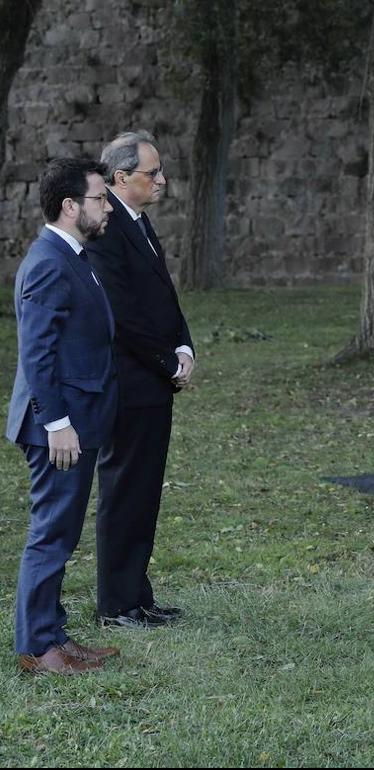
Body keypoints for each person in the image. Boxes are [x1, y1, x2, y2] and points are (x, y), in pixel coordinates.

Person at [7, 158, 120, 674]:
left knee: (62, 531)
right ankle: (36, 647)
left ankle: (54, 633)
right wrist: (56, 423)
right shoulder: (50, 260)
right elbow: (36, 352)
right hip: (59, 426)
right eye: (100, 198)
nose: (108, 207)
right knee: (51, 534)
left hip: (75, 419)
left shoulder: (73, 254)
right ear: (71, 206)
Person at [84, 131, 194, 629]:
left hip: (153, 381)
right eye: (153, 172)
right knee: (125, 491)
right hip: (130, 383)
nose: (162, 181)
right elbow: (122, 315)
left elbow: (162, 297)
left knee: (145, 491)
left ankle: (138, 596)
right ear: (120, 177)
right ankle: (116, 606)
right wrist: (166, 362)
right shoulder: (107, 232)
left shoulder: (140, 222)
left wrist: (185, 345)